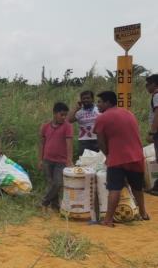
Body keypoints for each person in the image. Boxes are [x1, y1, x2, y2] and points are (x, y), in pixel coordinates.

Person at [94, 91, 150, 226]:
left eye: (100, 102)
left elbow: (100, 142)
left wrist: (108, 155)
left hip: (118, 157)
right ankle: (143, 213)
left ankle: (107, 220)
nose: (98, 105)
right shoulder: (128, 113)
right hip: (136, 156)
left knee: (114, 188)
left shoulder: (102, 118)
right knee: (137, 187)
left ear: (108, 103)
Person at [38, 102, 73, 212]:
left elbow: (69, 144)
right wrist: (40, 160)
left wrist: (69, 159)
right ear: (54, 113)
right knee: (51, 184)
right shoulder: (45, 126)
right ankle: (55, 206)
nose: (64, 117)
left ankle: (44, 202)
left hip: (61, 161)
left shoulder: (68, 127)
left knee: (57, 183)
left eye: (65, 115)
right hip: (47, 160)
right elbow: (42, 144)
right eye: (61, 115)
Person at [67, 90, 100, 156]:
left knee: (99, 163)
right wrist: (76, 108)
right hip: (84, 141)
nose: (86, 100)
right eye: (83, 98)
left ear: (92, 99)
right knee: (84, 163)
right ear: (81, 100)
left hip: (98, 139)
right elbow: (69, 120)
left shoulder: (98, 109)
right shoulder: (79, 112)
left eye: (88, 98)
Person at [146, 74, 158, 195]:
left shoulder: (156, 96)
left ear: (154, 84)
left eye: (148, 84)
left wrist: (152, 131)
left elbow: (157, 114)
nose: (146, 87)